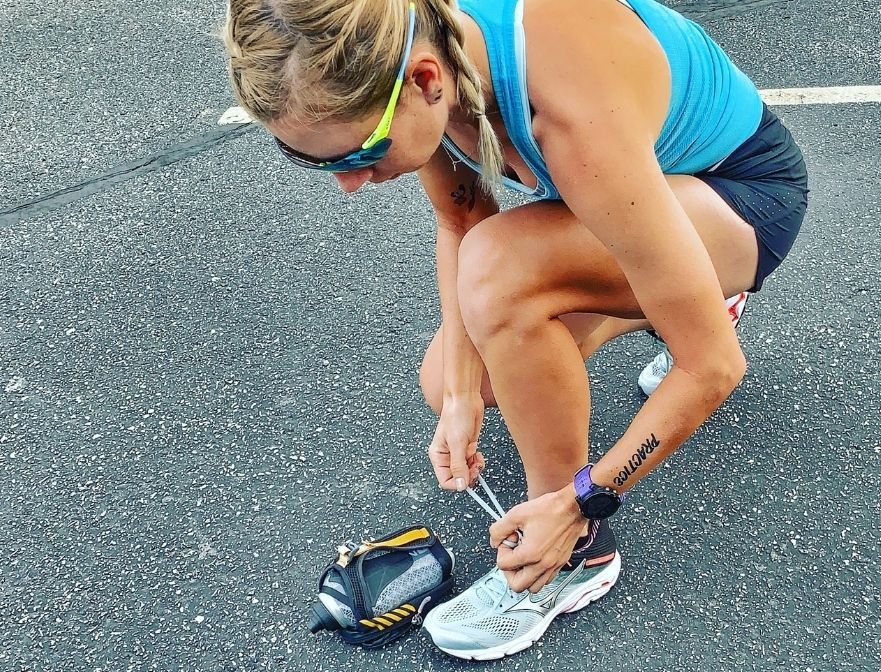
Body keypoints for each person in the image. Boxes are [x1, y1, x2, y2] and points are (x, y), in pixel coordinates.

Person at [223, 0, 808, 660]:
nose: (352, 184)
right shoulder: (423, 44)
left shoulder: (573, 111)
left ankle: (576, 560)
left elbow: (714, 367)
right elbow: (461, 220)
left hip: (740, 199)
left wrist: (582, 503)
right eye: (316, 162)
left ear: (423, 82)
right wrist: (465, 396)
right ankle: (672, 295)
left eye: (359, 153)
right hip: (644, 204)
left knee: (504, 275)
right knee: (446, 378)